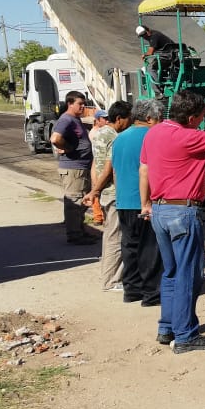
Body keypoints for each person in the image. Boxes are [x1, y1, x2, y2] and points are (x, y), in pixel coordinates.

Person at [140, 90, 205, 353]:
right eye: (201, 117)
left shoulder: (154, 132)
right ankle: (185, 336)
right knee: (189, 275)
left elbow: (145, 168)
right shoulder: (187, 137)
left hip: (159, 211)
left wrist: (145, 203)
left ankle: (167, 327)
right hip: (182, 212)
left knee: (171, 273)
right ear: (193, 117)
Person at [108, 99, 165, 307]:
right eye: (160, 118)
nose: (161, 122)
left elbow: (114, 170)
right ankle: (152, 293)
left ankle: (131, 290)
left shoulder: (120, 138)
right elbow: (152, 170)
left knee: (130, 246)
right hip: (145, 201)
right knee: (150, 249)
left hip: (123, 200)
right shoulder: (153, 136)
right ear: (149, 118)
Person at [83, 102, 132, 292]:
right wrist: (96, 190)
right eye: (128, 118)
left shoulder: (100, 133)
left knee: (110, 235)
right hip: (113, 193)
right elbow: (109, 168)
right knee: (115, 237)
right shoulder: (115, 137)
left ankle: (111, 276)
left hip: (105, 193)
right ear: (119, 119)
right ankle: (111, 281)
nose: (129, 123)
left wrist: (96, 189)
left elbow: (95, 164)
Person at [49, 91, 97, 245]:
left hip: (80, 167)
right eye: (79, 104)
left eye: (83, 103)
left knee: (81, 201)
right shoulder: (66, 119)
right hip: (73, 168)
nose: (83, 106)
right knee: (74, 201)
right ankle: (74, 235)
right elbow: (55, 138)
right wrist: (67, 147)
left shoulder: (75, 119)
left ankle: (80, 230)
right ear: (70, 104)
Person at [87, 109, 110, 225]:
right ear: (97, 120)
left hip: (98, 164)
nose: (107, 121)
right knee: (97, 191)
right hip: (98, 165)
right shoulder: (96, 132)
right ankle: (98, 216)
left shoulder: (101, 131)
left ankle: (100, 216)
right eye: (104, 118)